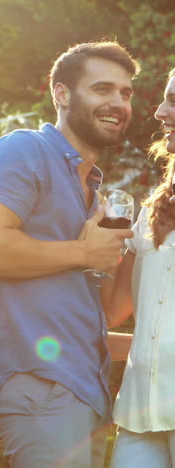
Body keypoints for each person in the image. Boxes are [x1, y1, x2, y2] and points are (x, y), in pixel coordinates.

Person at [0, 41, 139, 468]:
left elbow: (103, 314)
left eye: (125, 93)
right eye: (102, 89)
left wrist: (146, 245)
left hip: (87, 394)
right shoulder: (24, 149)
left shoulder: (94, 193)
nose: (117, 102)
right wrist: (83, 251)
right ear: (60, 93)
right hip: (43, 388)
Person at [106, 67, 175, 468]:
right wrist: (97, 250)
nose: (159, 112)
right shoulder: (148, 211)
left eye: (173, 100)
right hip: (138, 413)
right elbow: (115, 311)